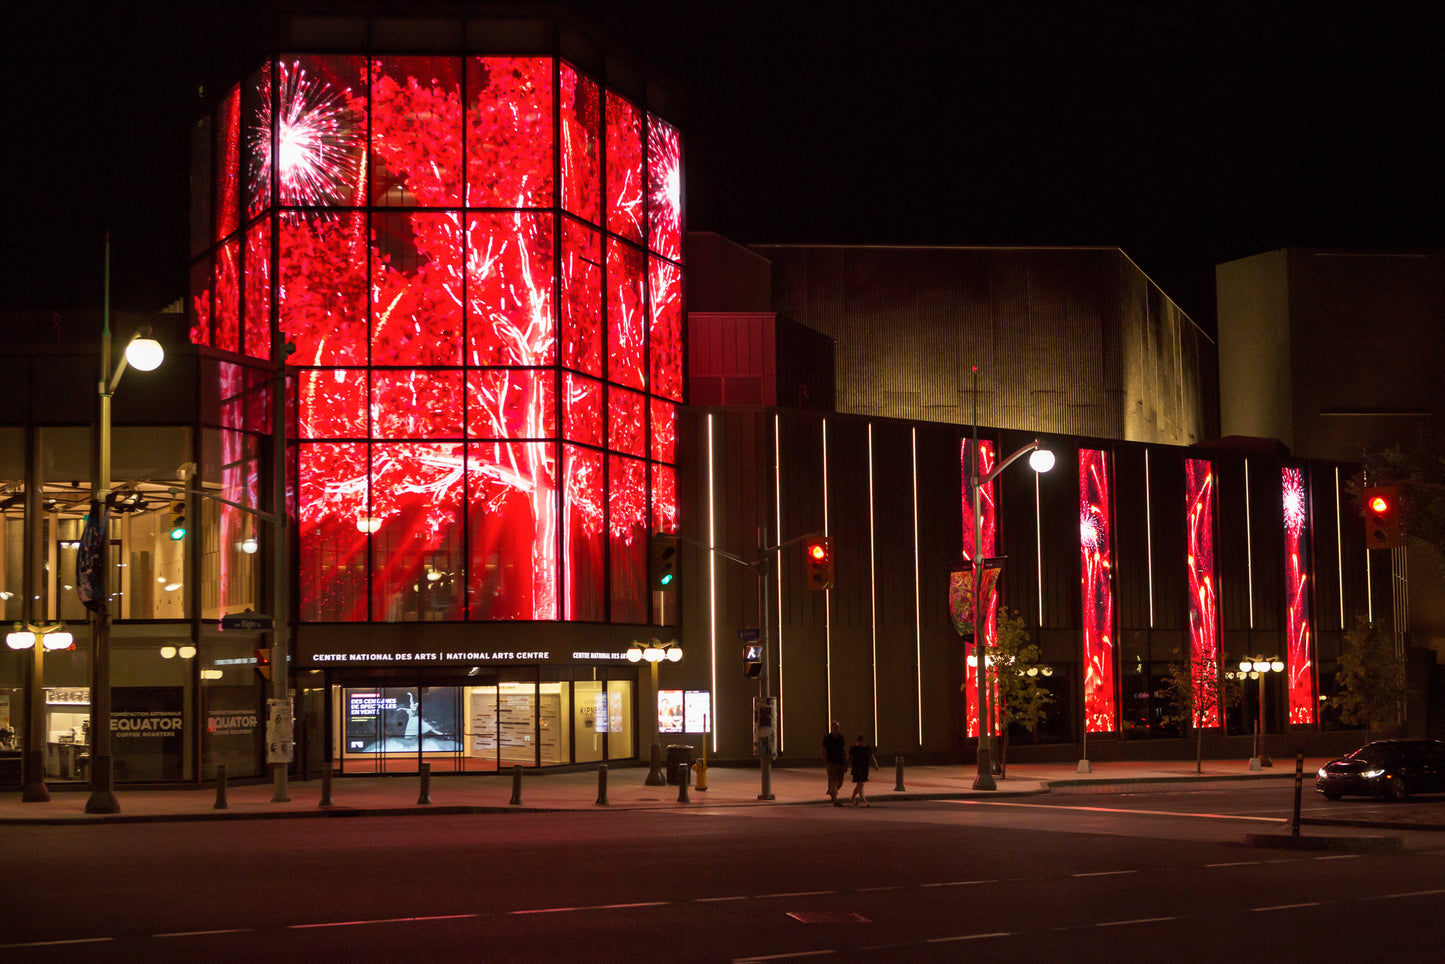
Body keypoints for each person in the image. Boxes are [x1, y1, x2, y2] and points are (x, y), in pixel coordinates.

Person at [848, 734, 878, 807]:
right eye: (861, 742)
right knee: (860, 784)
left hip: (864, 768)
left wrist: (875, 764)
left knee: (859, 785)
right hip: (856, 768)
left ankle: (852, 798)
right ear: (858, 741)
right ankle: (864, 802)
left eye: (863, 742)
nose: (862, 743)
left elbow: (871, 756)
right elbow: (848, 757)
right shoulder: (854, 748)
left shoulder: (867, 748)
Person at [821, 721, 847, 806]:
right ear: (831, 728)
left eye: (837, 728)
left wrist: (845, 762)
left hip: (840, 762)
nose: (836, 730)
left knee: (840, 782)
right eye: (835, 728)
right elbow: (823, 750)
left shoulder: (841, 737)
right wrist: (826, 761)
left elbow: (843, 750)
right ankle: (835, 800)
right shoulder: (827, 738)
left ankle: (831, 791)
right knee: (833, 781)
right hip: (831, 762)